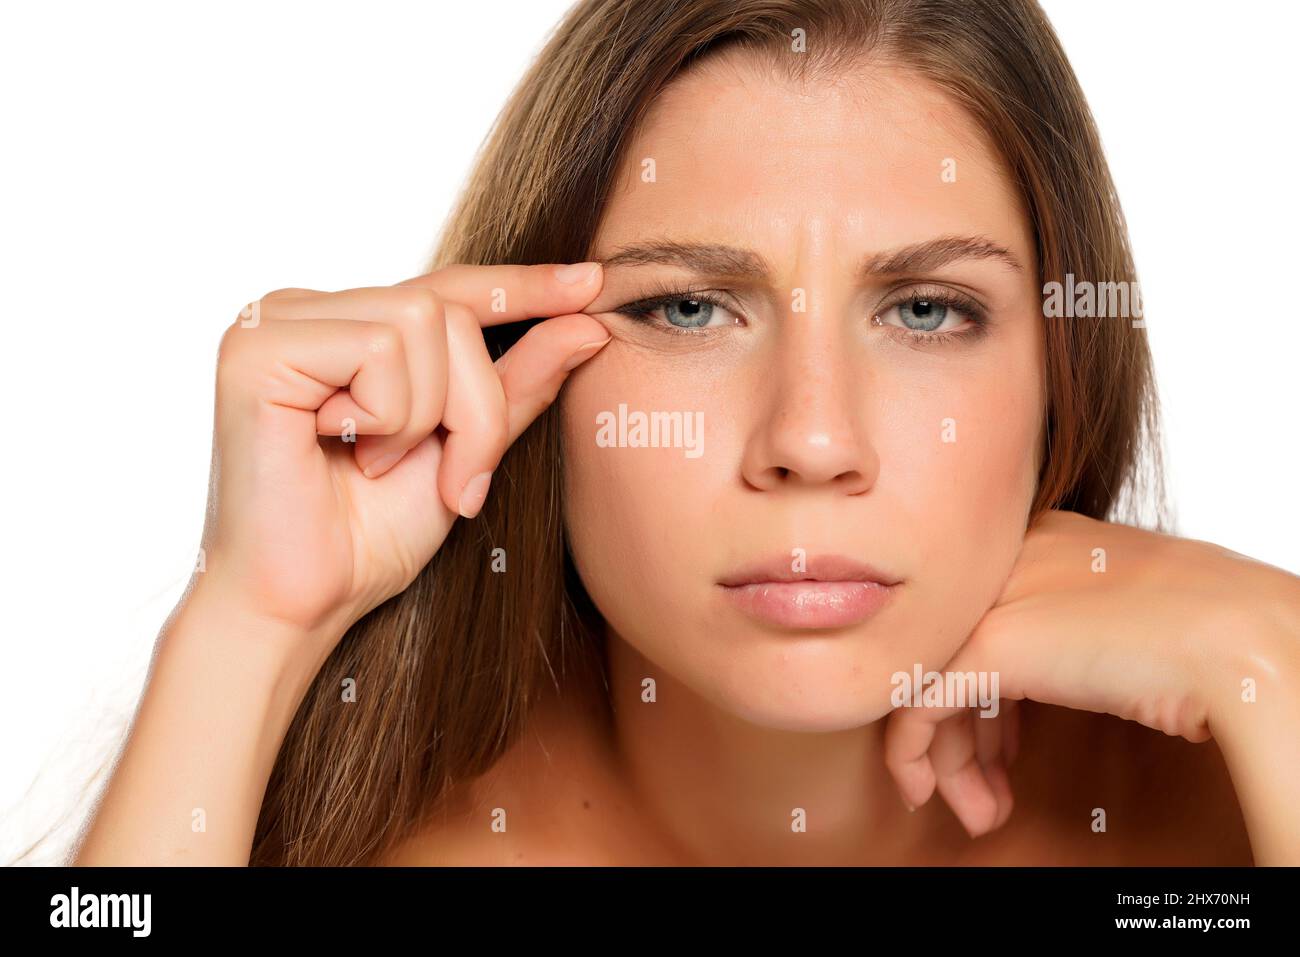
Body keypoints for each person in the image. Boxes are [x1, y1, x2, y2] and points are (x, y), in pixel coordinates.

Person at [68, 0, 1298, 866]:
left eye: (926, 309)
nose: (811, 442)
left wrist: (1276, 668)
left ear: (1061, 372)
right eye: (689, 307)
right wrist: (248, 625)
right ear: (520, 366)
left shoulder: (1243, 801)